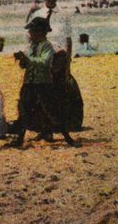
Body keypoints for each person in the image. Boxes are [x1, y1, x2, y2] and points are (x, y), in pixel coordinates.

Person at [10, 16, 80, 148]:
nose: (30, 34)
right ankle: (19, 139)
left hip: (43, 83)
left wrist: (27, 59)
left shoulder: (47, 46)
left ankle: (68, 138)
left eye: (32, 31)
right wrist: (22, 60)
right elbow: (24, 66)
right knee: (24, 110)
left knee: (52, 111)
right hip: (29, 82)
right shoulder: (31, 46)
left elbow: (44, 62)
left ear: (41, 32)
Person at [26, 0, 85, 132]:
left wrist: (68, 64)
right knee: (41, 93)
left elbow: (68, 40)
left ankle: (60, 125)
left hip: (59, 59)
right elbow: (29, 37)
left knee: (59, 93)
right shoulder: (37, 14)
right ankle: (43, 127)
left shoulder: (64, 15)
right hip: (42, 58)